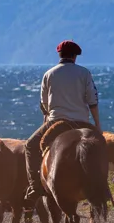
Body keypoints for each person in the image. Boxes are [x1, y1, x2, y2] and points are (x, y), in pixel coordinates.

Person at [24, 40, 101, 201]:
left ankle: (35, 188)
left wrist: (46, 122)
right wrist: (97, 125)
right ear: (75, 56)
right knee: (100, 148)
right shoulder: (84, 73)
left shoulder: (49, 74)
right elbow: (92, 100)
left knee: (30, 146)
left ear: (59, 55)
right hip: (81, 122)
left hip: (56, 121)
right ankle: (102, 185)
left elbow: (44, 105)